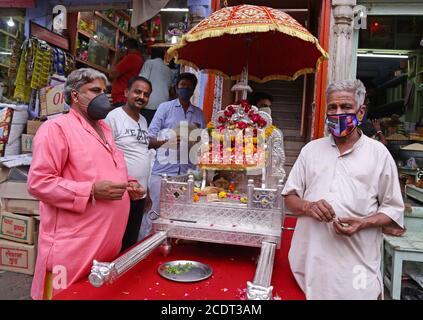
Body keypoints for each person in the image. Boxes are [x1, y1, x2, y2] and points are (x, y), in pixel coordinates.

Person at [27, 68, 145, 300]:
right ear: (74, 95)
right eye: (95, 90)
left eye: (105, 91)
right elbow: (38, 182)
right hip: (70, 252)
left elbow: (110, 168)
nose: (104, 96)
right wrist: (90, 190)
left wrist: (129, 184)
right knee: (63, 296)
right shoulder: (56, 129)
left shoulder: (106, 129)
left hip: (104, 249)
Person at [282, 79, 405, 300]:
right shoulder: (311, 151)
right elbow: (290, 197)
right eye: (333, 107)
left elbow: (393, 210)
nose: (338, 113)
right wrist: (308, 206)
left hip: (355, 272)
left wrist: (363, 222)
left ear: (361, 112)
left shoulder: (378, 154)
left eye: (346, 107)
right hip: (308, 267)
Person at [140, 72, 205, 239]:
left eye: (189, 87)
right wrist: (165, 141)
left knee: (181, 215)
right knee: (155, 214)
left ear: (193, 90)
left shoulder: (198, 113)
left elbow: (203, 142)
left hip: (186, 174)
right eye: (183, 85)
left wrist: (196, 142)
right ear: (176, 87)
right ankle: (147, 246)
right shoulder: (165, 108)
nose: (185, 89)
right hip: (163, 172)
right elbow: (149, 137)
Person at [105, 76, 153, 252]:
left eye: (146, 94)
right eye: (137, 92)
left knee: (132, 238)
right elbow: (106, 153)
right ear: (126, 93)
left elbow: (142, 153)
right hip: (122, 191)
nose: (141, 97)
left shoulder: (143, 120)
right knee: (117, 239)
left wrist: (146, 192)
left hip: (139, 192)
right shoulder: (114, 117)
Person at [139, 46, 173, 125]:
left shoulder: (149, 63)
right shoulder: (168, 70)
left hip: (149, 105)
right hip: (163, 105)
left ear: (151, 54)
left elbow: (141, 82)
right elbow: (169, 88)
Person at [110, 38, 144, 108]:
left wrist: (116, 57)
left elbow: (112, 75)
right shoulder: (139, 59)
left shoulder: (131, 58)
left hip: (121, 98)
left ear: (126, 48)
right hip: (127, 98)